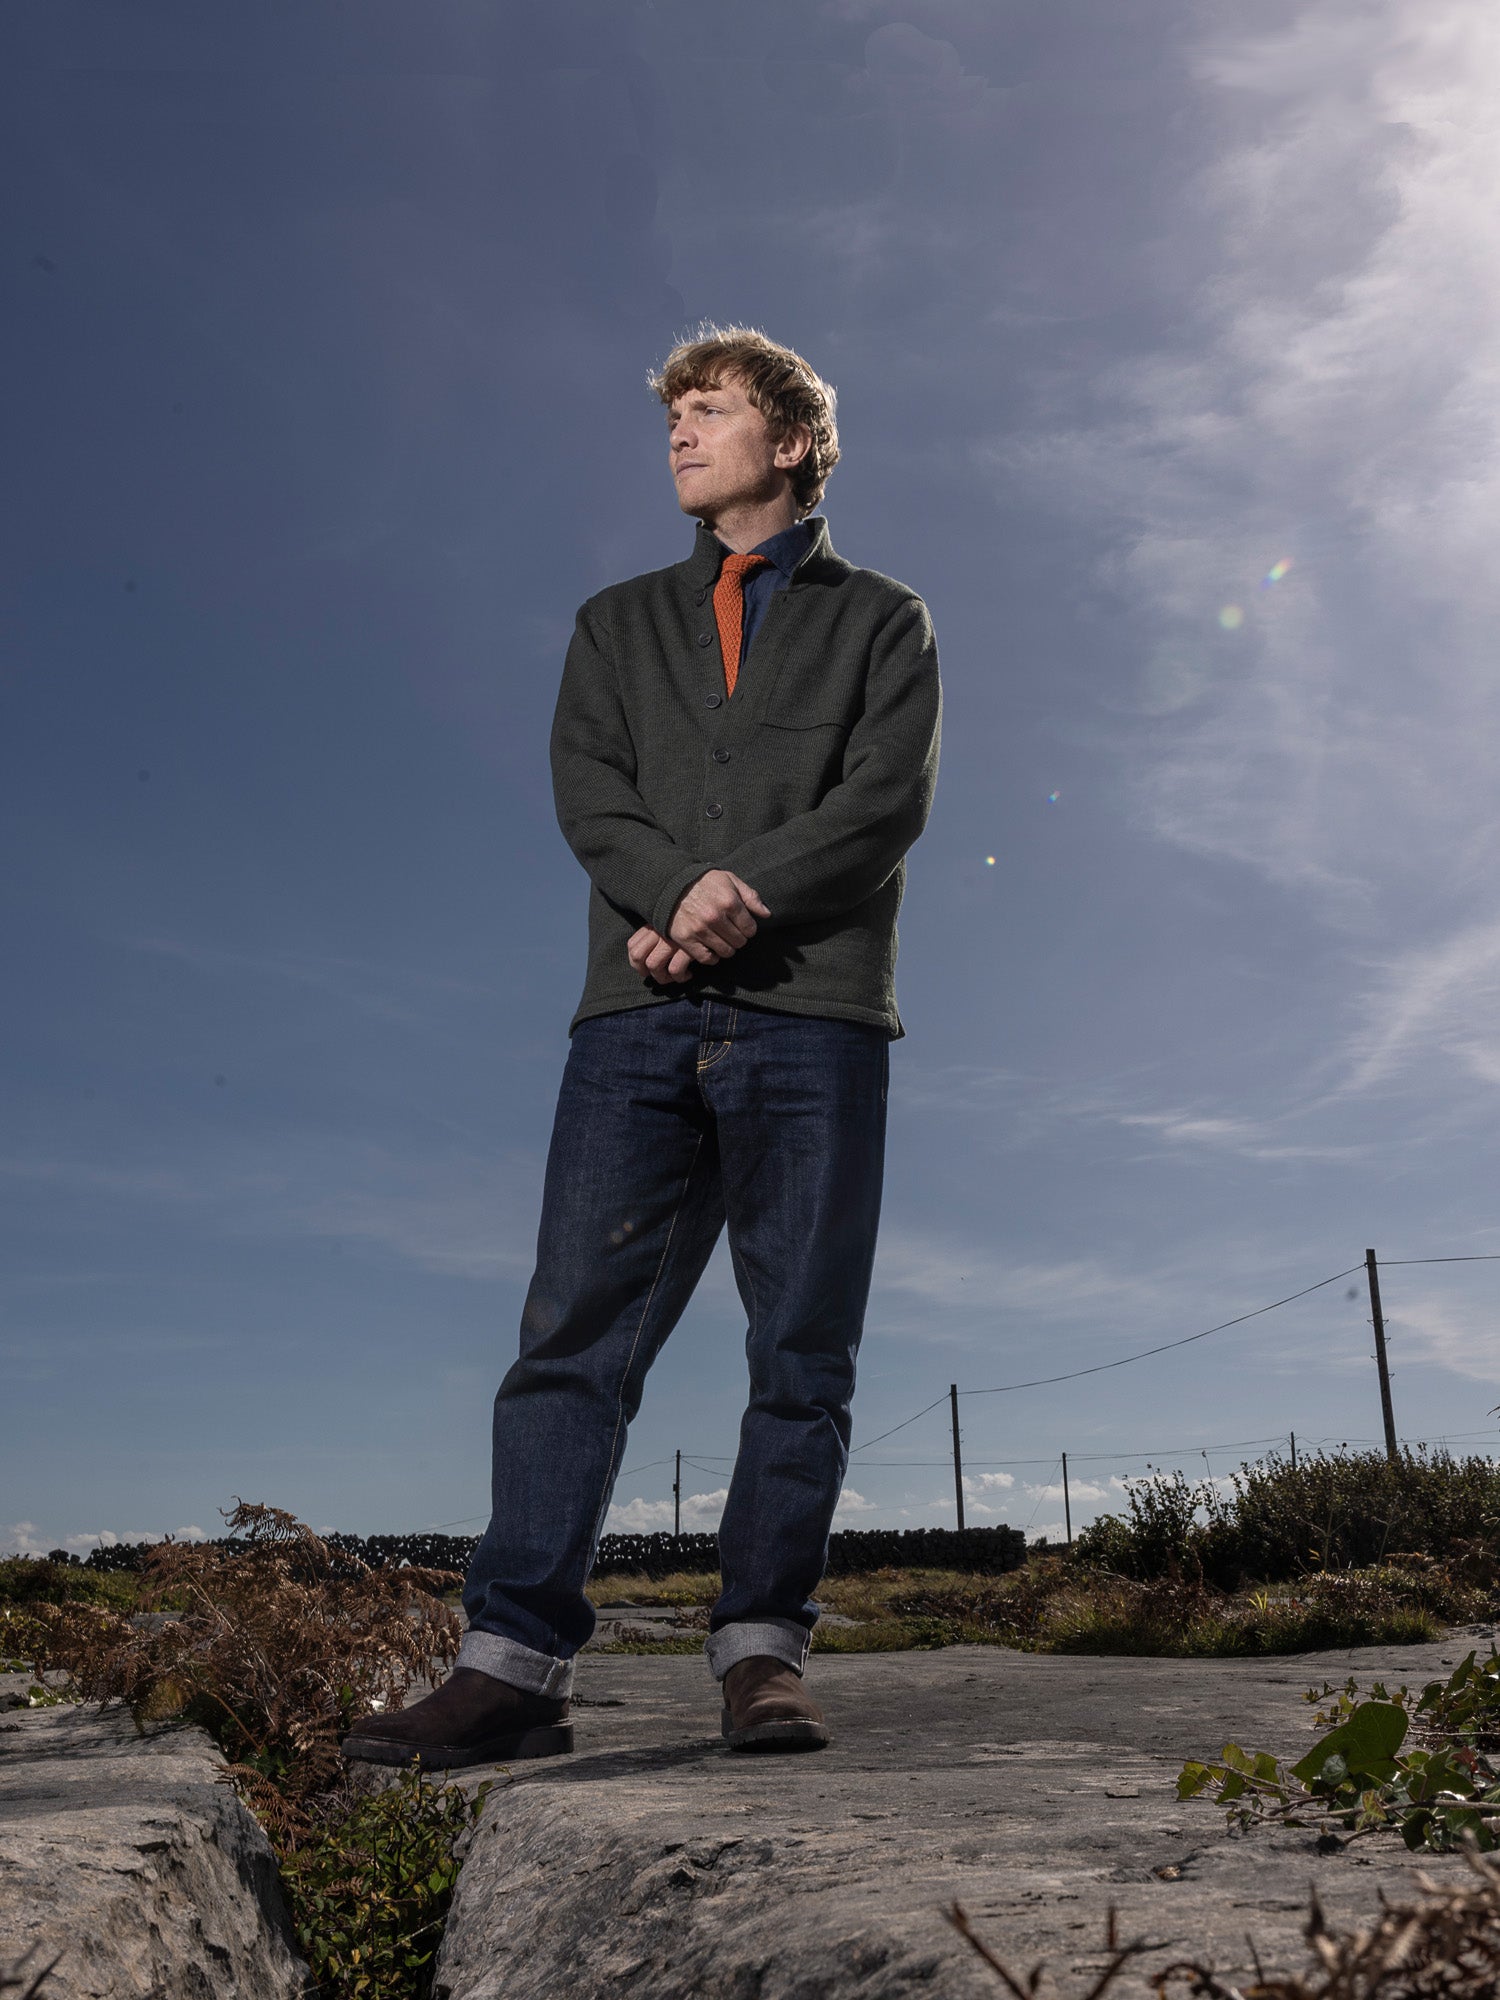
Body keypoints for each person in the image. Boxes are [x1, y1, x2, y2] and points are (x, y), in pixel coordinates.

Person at [343, 325, 941, 1769]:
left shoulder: (885, 619)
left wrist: (732, 899)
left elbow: (884, 801)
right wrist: (673, 895)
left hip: (814, 1019)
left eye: (710, 408)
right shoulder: (614, 622)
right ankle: (512, 1669)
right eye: (672, 413)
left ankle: (761, 1656)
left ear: (790, 441)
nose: (678, 431)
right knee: (571, 1338)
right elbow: (589, 792)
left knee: (801, 1346)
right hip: (634, 1019)